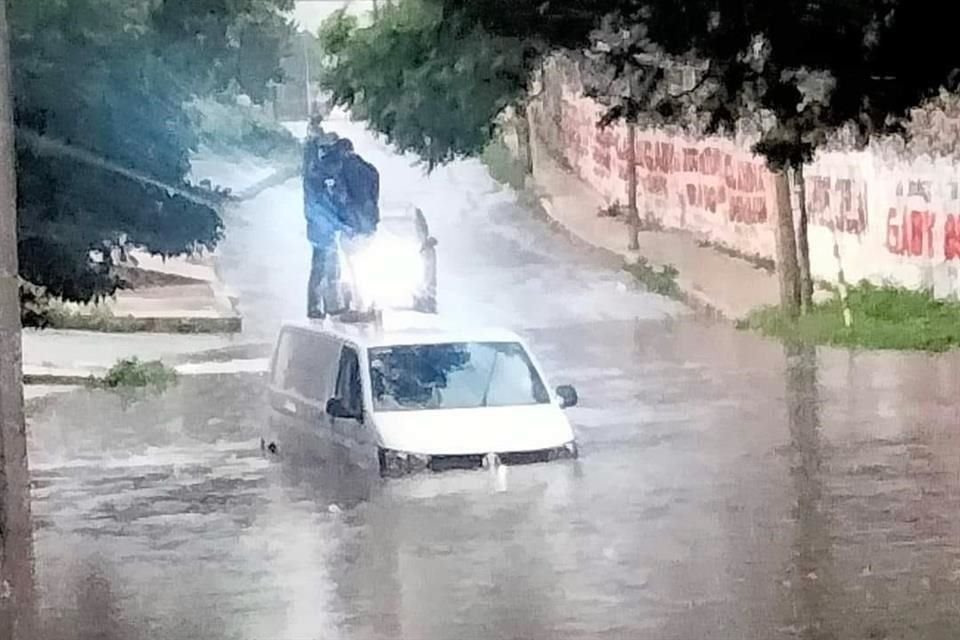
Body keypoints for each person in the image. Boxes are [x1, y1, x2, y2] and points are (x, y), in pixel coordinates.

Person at [304, 128, 350, 318]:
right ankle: (316, 306)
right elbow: (320, 207)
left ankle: (331, 304)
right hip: (320, 230)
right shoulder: (317, 174)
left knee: (332, 268)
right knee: (321, 268)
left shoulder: (324, 172)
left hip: (326, 229)